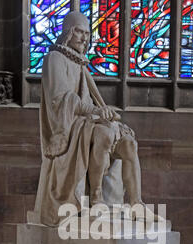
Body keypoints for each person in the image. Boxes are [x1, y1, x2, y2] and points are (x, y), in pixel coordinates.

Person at [30, 11, 148, 227]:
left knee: (129, 143)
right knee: (104, 134)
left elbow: (93, 102)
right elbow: (59, 100)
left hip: (88, 120)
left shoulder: (81, 63)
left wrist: (104, 113)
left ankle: (136, 204)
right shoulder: (54, 58)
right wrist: (95, 113)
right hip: (70, 125)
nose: (84, 38)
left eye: (87, 33)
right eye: (79, 32)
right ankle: (96, 197)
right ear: (68, 32)